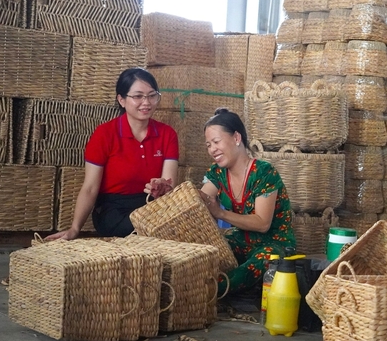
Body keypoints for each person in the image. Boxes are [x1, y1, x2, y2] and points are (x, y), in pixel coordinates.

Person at [46, 67, 178, 240]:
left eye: (152, 95)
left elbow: (170, 186)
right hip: (114, 209)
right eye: (138, 96)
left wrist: (162, 188)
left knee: (171, 222)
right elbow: (90, 188)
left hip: (151, 207)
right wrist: (74, 229)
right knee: (144, 229)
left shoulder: (167, 134)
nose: (146, 102)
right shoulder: (105, 134)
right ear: (121, 100)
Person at [198, 108, 296, 297]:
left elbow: (262, 223)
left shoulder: (264, 172)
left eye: (216, 142)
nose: (212, 150)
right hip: (241, 239)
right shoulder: (218, 173)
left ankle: (207, 292)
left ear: (236, 138)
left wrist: (221, 213)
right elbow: (199, 201)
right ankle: (202, 286)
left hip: (273, 244)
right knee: (208, 252)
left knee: (263, 260)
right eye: (208, 145)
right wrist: (169, 192)